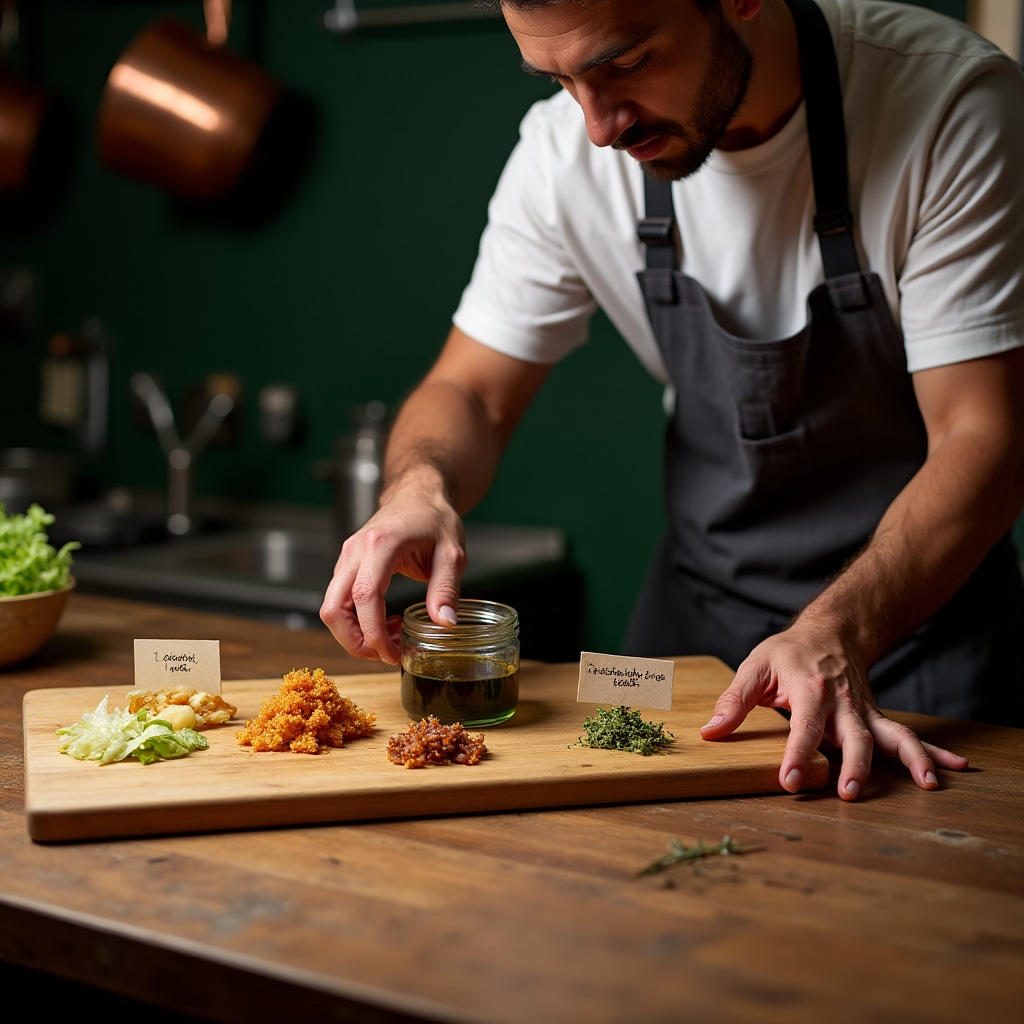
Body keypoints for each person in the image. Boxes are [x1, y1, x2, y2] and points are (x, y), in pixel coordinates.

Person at [321, 0, 1024, 800]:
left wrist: (838, 631)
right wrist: (419, 487)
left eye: (624, 64)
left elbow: (984, 437)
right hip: (694, 631)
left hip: (908, 641)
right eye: (561, 79)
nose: (596, 125)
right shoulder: (564, 154)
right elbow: (470, 391)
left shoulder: (949, 105)